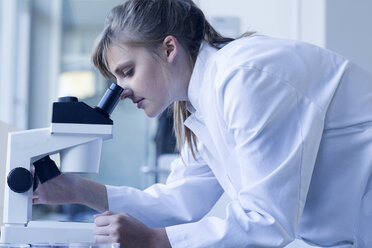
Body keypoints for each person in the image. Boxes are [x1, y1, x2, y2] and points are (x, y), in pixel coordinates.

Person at [33, 0, 372, 247]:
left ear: (169, 48)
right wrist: (78, 190)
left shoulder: (243, 78)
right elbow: (180, 203)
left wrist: (155, 241)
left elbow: (266, 221)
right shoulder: (203, 105)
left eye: (128, 72)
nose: (122, 92)